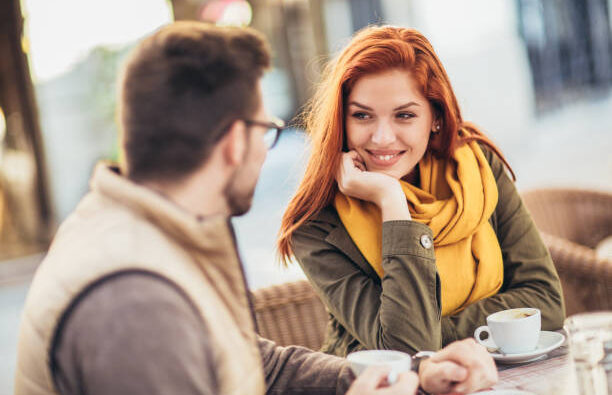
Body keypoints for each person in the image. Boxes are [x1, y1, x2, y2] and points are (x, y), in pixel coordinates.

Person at [14, 22, 497, 395]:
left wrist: (405, 372)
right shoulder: (134, 303)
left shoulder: (147, 228)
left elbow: (253, 360)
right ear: (232, 144)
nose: (267, 150)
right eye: (265, 131)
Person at [278, 25, 565, 357]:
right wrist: (391, 202)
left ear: (436, 118)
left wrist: (433, 331)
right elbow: (408, 349)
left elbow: (546, 300)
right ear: (341, 120)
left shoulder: (476, 166)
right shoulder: (318, 224)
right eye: (362, 115)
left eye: (404, 115)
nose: (382, 137)